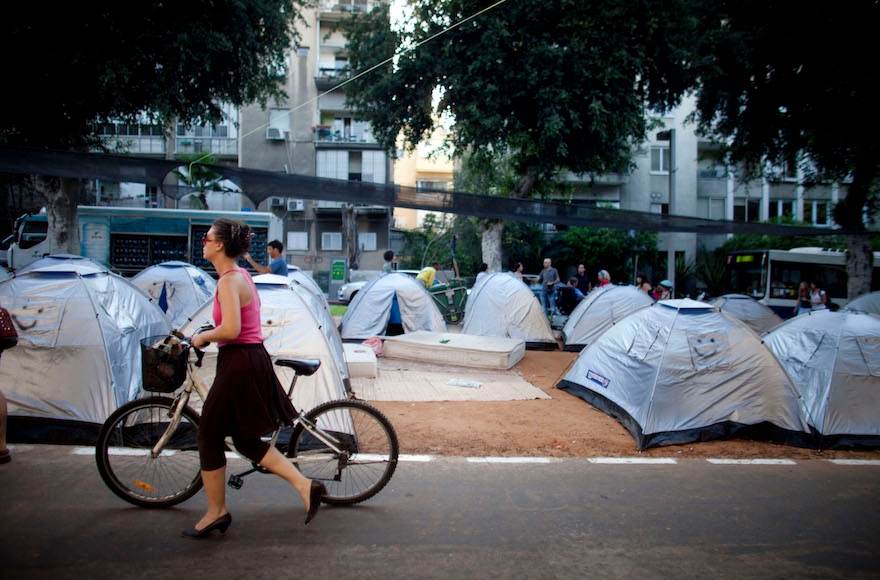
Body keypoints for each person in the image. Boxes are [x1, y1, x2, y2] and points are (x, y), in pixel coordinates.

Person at [185, 218, 324, 539]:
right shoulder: (239, 276)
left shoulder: (229, 281)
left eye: (206, 238)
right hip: (248, 359)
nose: (203, 242)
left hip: (240, 362)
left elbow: (231, 330)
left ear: (219, 245)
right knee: (245, 439)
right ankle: (305, 486)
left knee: (207, 435)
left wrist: (202, 338)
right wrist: (210, 334)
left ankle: (217, 512)